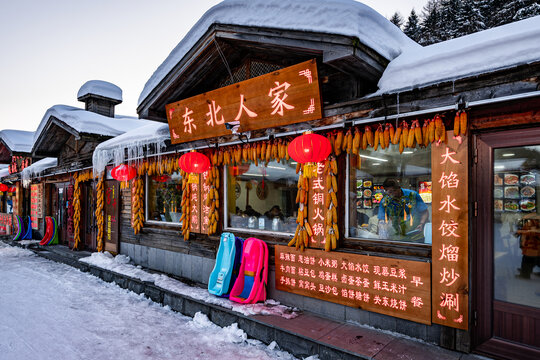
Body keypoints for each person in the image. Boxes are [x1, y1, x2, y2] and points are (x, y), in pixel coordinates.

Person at [378, 178, 429, 242]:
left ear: (399, 188)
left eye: (393, 191)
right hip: (397, 239)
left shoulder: (413, 195)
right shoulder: (384, 201)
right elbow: (382, 221)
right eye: (389, 192)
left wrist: (422, 224)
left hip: (416, 236)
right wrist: (383, 237)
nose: (392, 194)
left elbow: (424, 212)